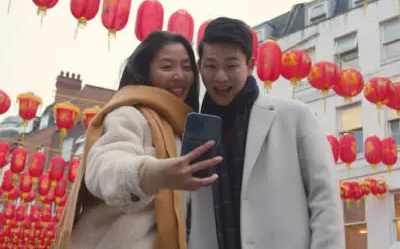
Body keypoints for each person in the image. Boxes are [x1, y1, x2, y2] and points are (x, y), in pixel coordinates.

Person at [187, 17, 345, 249]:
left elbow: (325, 199)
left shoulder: (294, 116)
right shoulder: (195, 127)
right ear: (200, 66)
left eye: (231, 65)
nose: (220, 76)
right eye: (210, 66)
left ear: (250, 65)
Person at [54, 31, 222, 249]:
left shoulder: (180, 128)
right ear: (146, 72)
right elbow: (104, 165)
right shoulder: (129, 113)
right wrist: (152, 174)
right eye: (167, 67)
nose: (179, 75)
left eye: (186, 67)